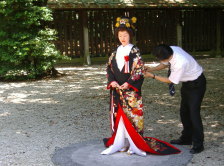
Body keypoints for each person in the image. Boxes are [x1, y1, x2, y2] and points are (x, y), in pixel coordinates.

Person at [101, 17, 181, 156]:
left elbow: (139, 70)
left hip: (131, 91)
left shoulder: (134, 51)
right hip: (117, 90)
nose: (122, 38)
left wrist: (129, 83)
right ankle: (121, 142)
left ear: (130, 35)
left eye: (125, 35)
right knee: (118, 117)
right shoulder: (115, 51)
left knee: (133, 118)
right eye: (120, 36)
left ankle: (134, 144)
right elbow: (109, 68)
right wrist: (112, 81)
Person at [144, 44, 206, 154]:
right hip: (187, 84)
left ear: (166, 56)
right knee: (184, 112)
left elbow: (170, 80)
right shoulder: (171, 50)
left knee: (194, 114)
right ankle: (186, 138)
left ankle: (198, 144)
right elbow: (164, 64)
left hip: (197, 84)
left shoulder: (180, 63)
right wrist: (151, 69)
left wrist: (152, 76)